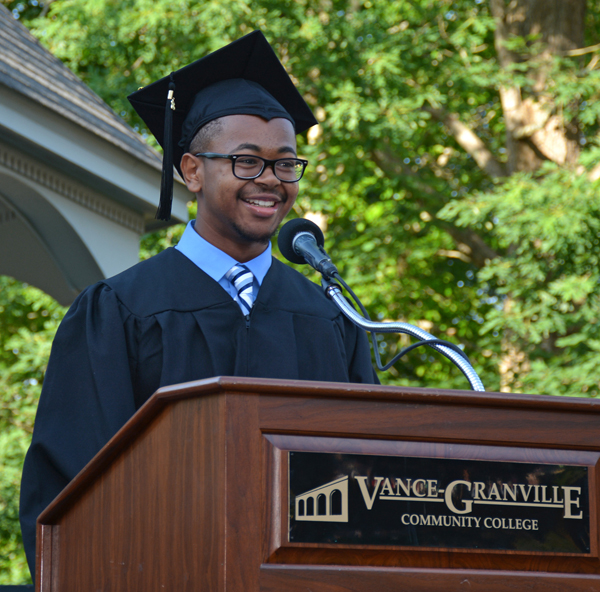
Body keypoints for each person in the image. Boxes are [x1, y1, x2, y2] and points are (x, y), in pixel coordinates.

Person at [19, 31, 378, 577]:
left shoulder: (329, 319)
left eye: (286, 164)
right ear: (191, 171)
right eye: (246, 161)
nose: (272, 181)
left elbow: (370, 481)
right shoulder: (119, 311)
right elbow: (70, 488)